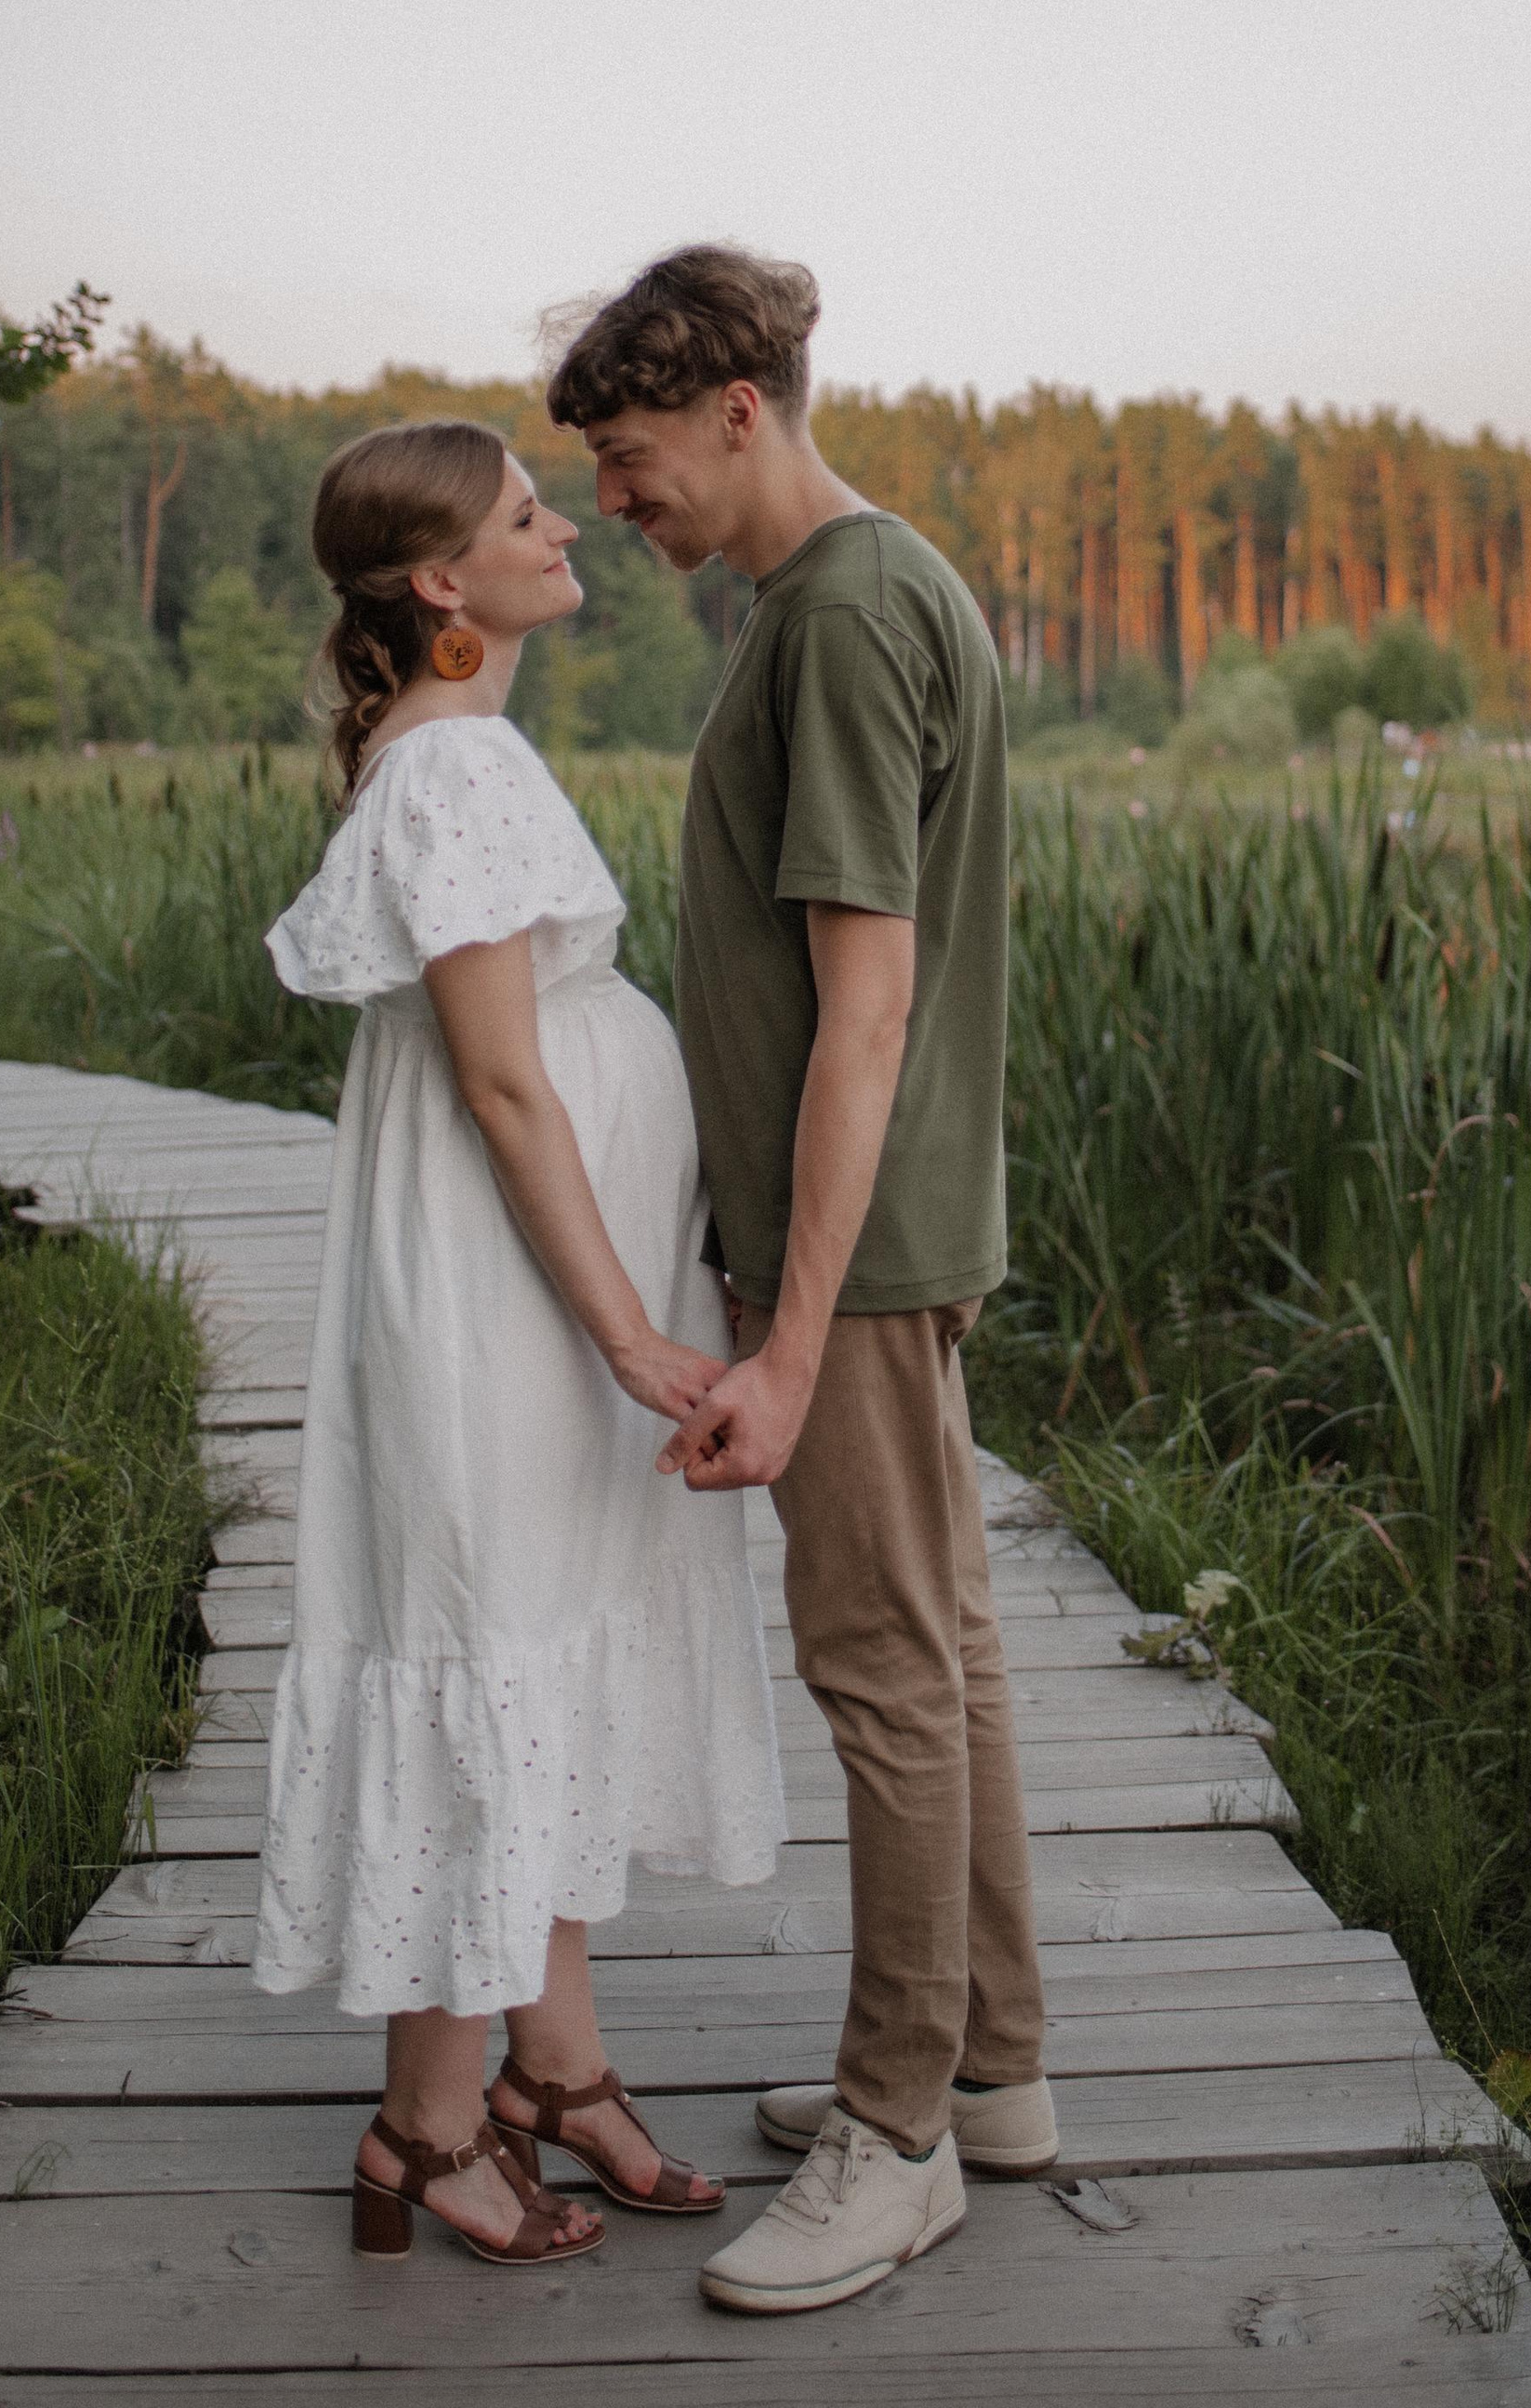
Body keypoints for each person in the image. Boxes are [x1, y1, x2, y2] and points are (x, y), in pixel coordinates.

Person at [547, 248, 1053, 2320]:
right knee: (943, 1648)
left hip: (851, 1253)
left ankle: (896, 2135)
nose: (609, 501)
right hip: (891, 1235)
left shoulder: (842, 618)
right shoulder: (856, 589)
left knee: (881, 1674)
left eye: (633, 454)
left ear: (740, 408)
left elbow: (864, 1016)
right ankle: (990, 2072)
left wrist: (781, 1332)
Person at [252, 418, 783, 2270]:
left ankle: (551, 2066)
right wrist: (633, 1331)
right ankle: (421, 2124)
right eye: (521, 518)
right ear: (437, 584)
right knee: (486, 1632)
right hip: (508, 1288)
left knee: (539, 1638)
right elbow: (499, 1081)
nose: (563, 532)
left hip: (518, 1274)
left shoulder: (457, 751)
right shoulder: (454, 777)